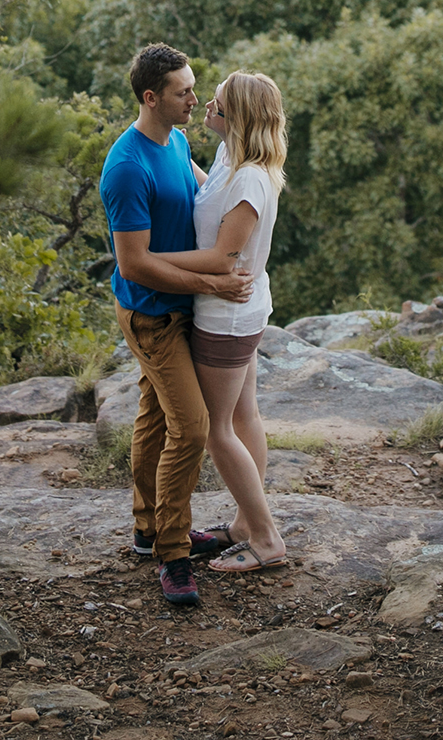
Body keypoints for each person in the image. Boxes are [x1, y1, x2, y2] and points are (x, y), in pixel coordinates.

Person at [99, 42, 252, 607]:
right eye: (183, 92)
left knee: (156, 417)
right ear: (151, 97)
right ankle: (172, 552)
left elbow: (209, 193)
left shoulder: (178, 140)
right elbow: (134, 263)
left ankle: (146, 526)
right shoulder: (127, 166)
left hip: (179, 308)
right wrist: (212, 282)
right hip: (150, 312)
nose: (195, 98)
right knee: (191, 427)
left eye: (193, 88)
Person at [160, 70, 290, 573]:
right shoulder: (228, 158)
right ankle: (243, 523)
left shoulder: (251, 179)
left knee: (216, 430)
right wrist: (173, 156)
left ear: (235, 117)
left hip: (226, 317)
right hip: (244, 311)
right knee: (243, 417)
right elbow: (207, 190)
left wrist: (148, 258)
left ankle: (266, 538)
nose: (203, 105)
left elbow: (220, 258)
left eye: (213, 102)